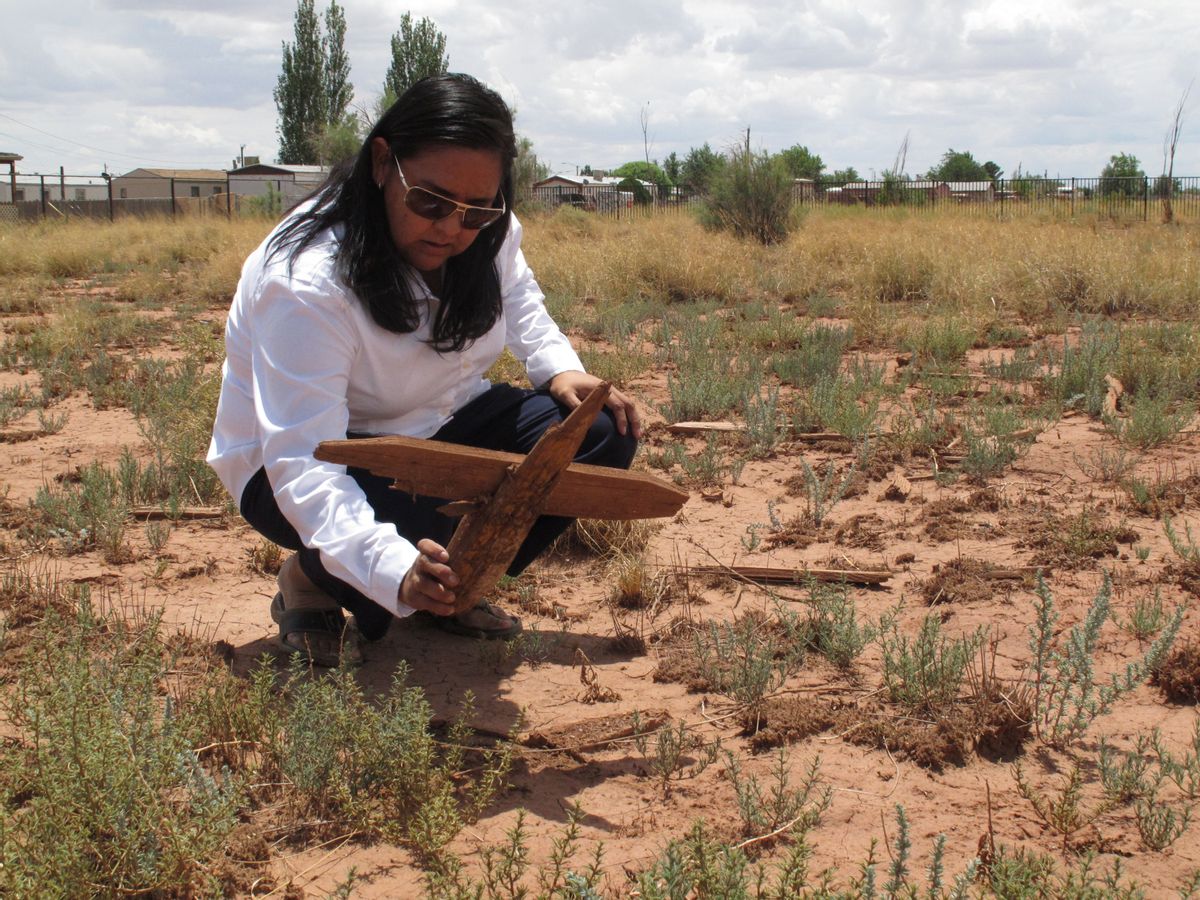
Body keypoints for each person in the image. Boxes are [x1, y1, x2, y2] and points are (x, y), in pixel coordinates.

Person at [207, 73, 640, 666]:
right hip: (311, 461)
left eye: (476, 211)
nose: (451, 228)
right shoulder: (307, 281)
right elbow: (303, 463)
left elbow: (517, 295)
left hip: (440, 423)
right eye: (430, 203)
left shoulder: (487, 229)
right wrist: (390, 566)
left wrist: (557, 368)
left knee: (597, 433)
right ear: (384, 162)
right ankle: (317, 578)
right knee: (396, 520)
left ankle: (451, 587)